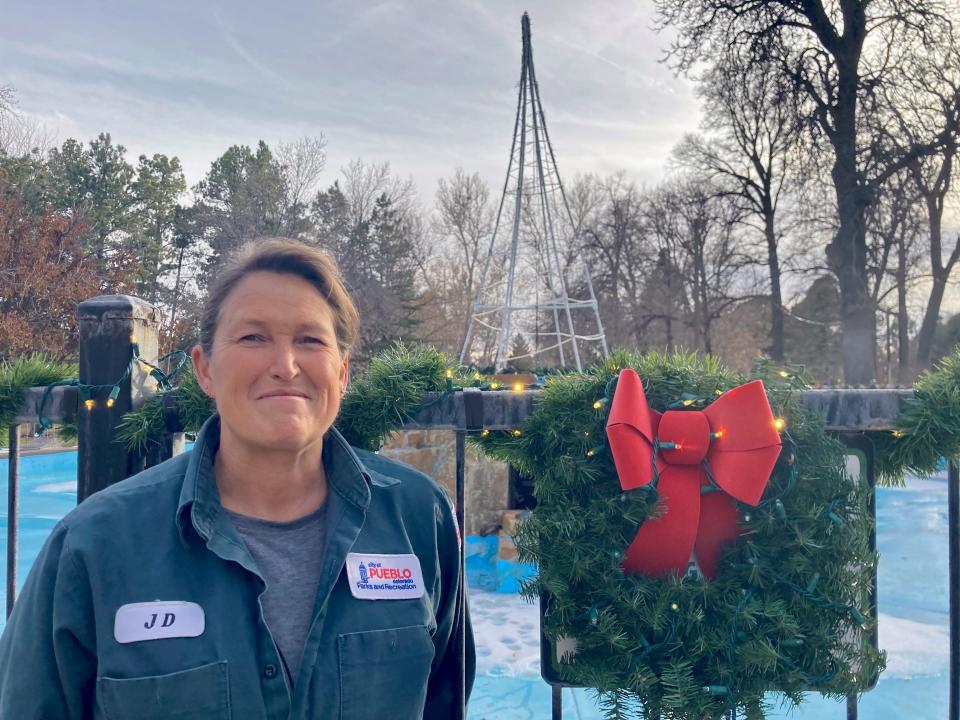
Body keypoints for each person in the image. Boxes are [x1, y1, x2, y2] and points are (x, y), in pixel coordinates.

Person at [0, 238, 475, 719]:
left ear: (343, 372)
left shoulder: (418, 519)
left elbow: (445, 700)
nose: (285, 367)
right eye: (253, 338)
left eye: (310, 340)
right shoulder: (94, 546)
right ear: (205, 370)